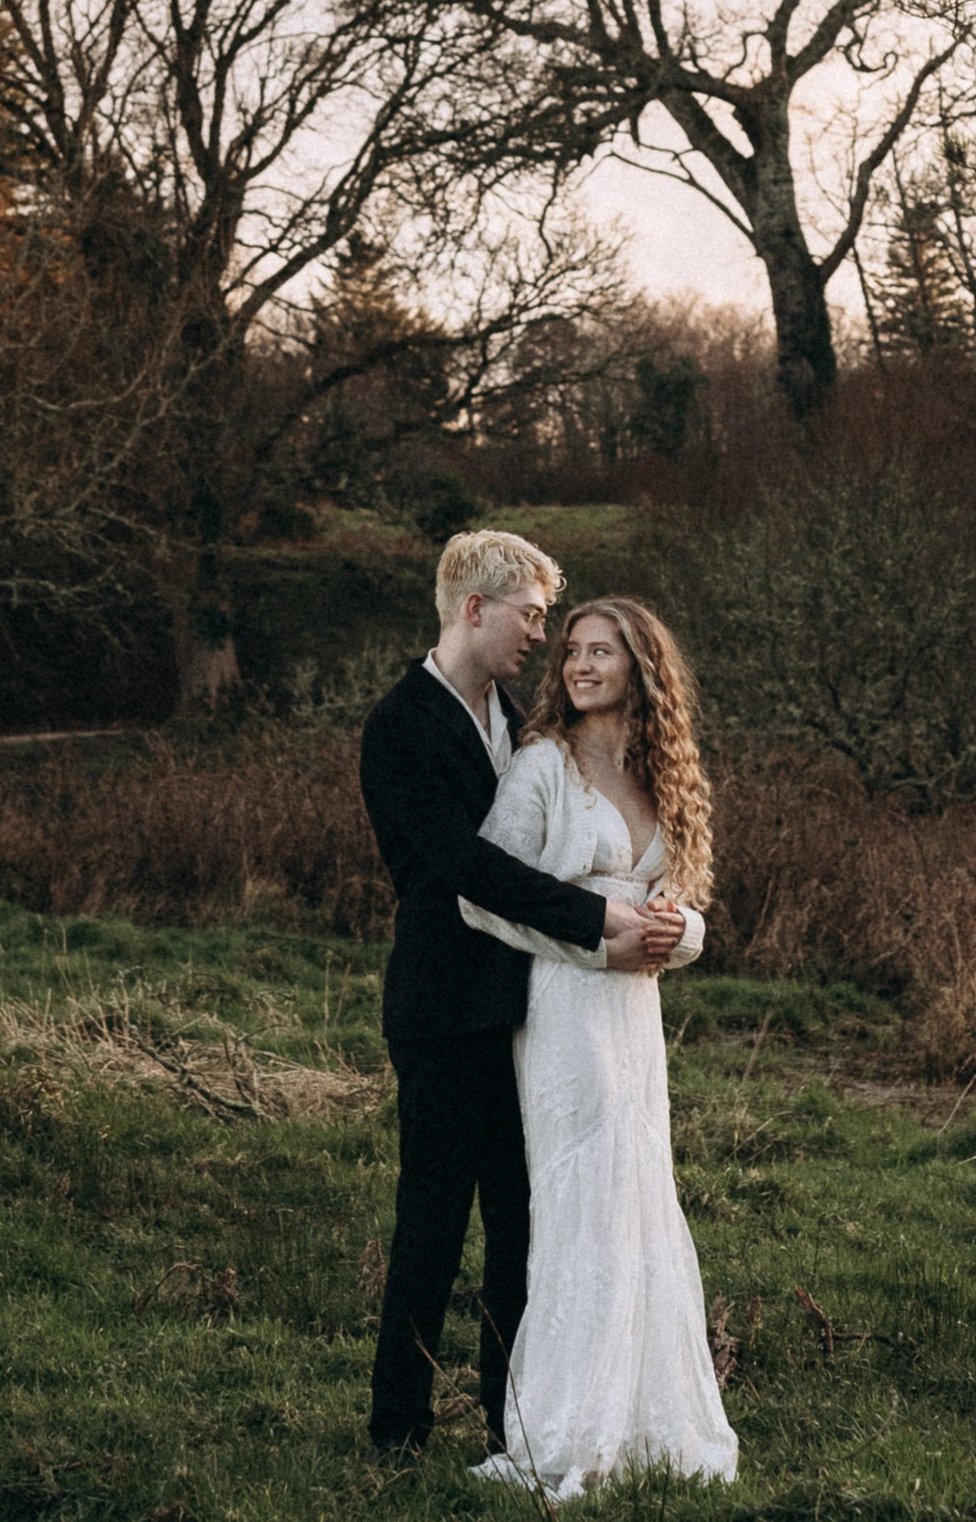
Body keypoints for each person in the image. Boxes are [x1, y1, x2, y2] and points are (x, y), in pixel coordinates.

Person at [358, 532, 684, 1460]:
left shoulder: (513, 719)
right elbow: (466, 866)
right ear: (475, 608)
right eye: (532, 616)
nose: (542, 637)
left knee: (521, 1225)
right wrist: (596, 924)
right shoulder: (401, 726)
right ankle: (400, 1430)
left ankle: (517, 1422)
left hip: (533, 1011)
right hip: (443, 1008)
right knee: (430, 1221)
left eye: (549, 618)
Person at [458, 596, 741, 1499]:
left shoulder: (664, 773)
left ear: (641, 670)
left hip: (635, 1017)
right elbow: (484, 895)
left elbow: (687, 908)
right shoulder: (543, 764)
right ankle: (567, 1421)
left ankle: (647, 1414)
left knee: (639, 1195)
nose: (580, 665)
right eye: (571, 651)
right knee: (581, 1195)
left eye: (601, 652)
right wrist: (597, 940)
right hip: (568, 1010)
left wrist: (676, 935)